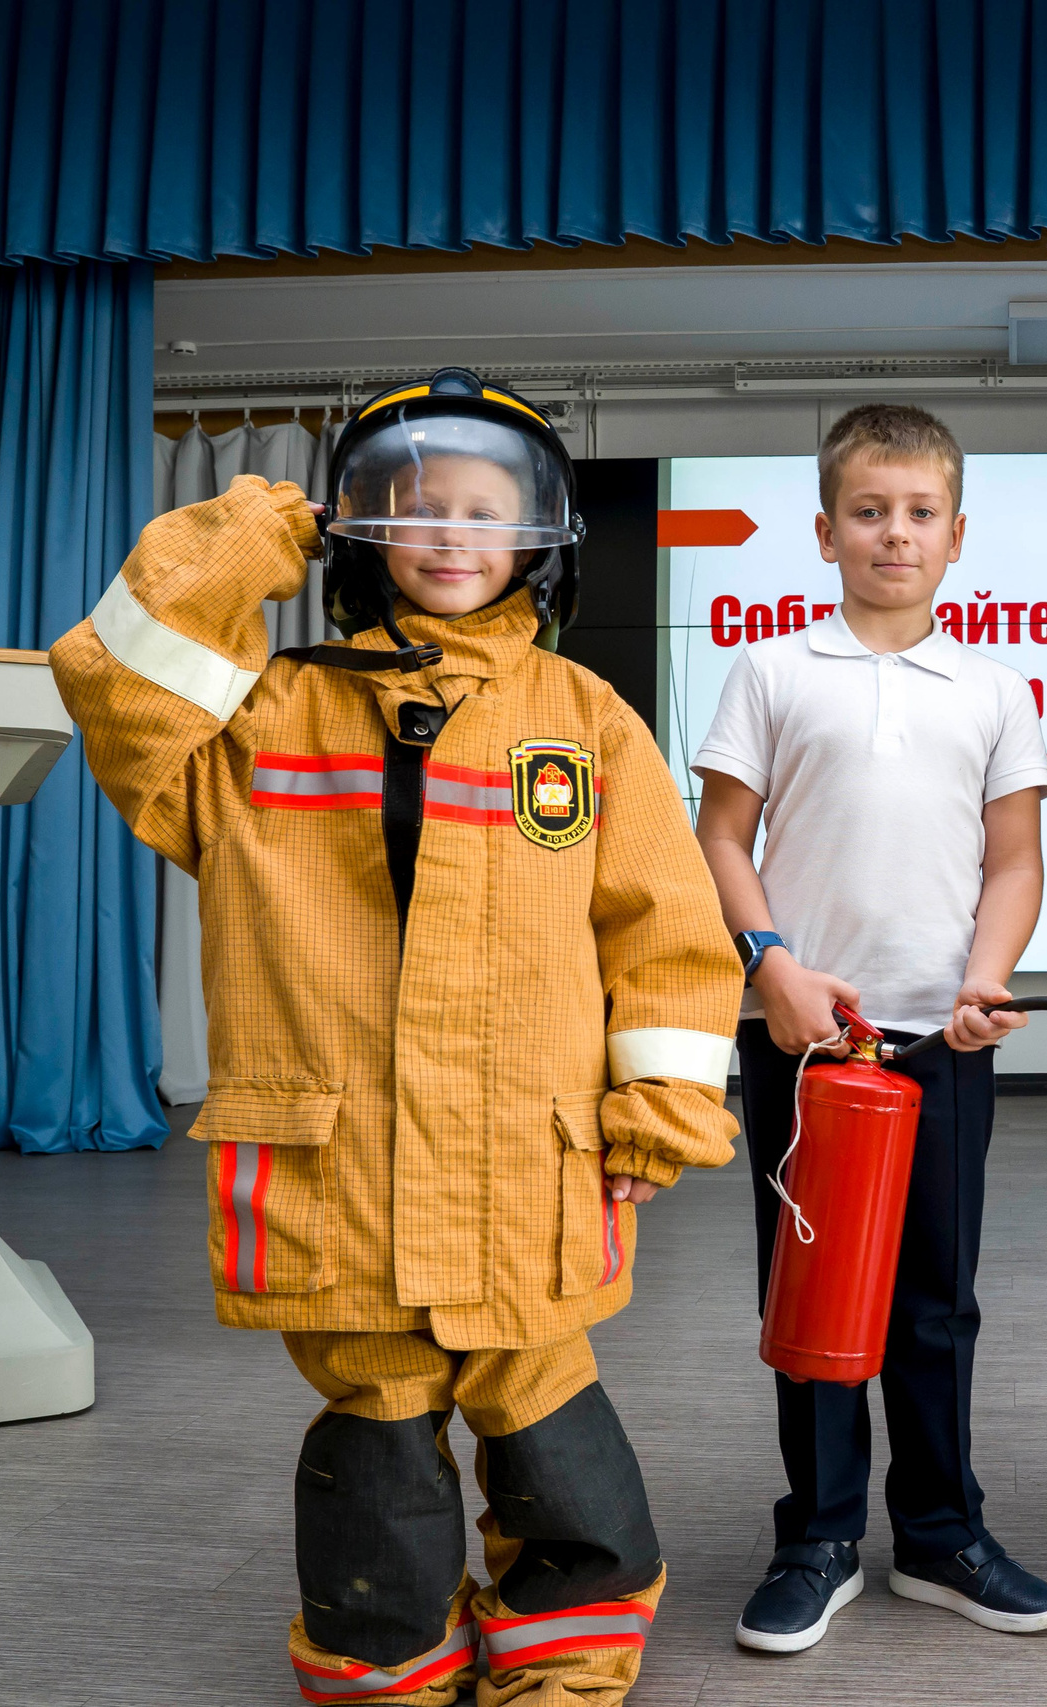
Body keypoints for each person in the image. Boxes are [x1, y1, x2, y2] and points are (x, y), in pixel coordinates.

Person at [52, 369, 742, 1705]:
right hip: (346, 1170)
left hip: (524, 1168)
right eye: (407, 503)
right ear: (349, 530)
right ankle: (387, 1655)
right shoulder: (261, 717)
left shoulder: (586, 722)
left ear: (540, 539)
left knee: (550, 1408)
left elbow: (667, 930)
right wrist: (248, 538)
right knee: (376, 1427)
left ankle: (570, 1639)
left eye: (485, 508)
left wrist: (660, 1109)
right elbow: (114, 678)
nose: (447, 530)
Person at [690, 403, 1047, 1654]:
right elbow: (720, 841)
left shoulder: (993, 688)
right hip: (807, 1045)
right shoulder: (774, 669)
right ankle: (817, 1537)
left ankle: (944, 1537)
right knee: (812, 1297)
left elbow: (1013, 863)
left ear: (956, 536)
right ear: (823, 530)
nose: (892, 535)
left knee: (933, 1304)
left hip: (940, 1043)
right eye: (868, 512)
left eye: (917, 515)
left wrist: (986, 976)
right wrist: (773, 968)